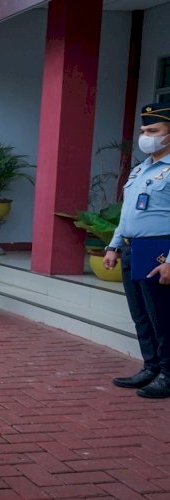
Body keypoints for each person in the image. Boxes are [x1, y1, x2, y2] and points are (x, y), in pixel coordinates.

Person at [105, 102, 170, 399]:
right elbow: (128, 213)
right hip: (133, 248)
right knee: (141, 315)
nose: (146, 136)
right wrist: (113, 246)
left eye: (153, 130)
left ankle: (168, 374)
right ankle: (151, 366)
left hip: (159, 248)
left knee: (163, 316)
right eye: (143, 130)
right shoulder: (141, 168)